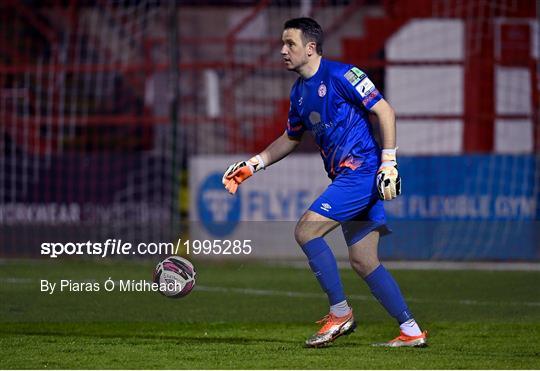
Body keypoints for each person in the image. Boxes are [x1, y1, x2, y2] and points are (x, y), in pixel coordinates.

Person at [222, 17, 427, 348]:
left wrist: (389, 162)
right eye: (282, 43)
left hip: (362, 172)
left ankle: (340, 313)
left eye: (290, 44)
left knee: (305, 230)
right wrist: (254, 164)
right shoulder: (299, 93)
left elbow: (385, 111)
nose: (283, 50)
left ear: (310, 48)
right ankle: (411, 330)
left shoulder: (343, 75)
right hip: (349, 176)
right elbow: (291, 138)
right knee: (363, 260)